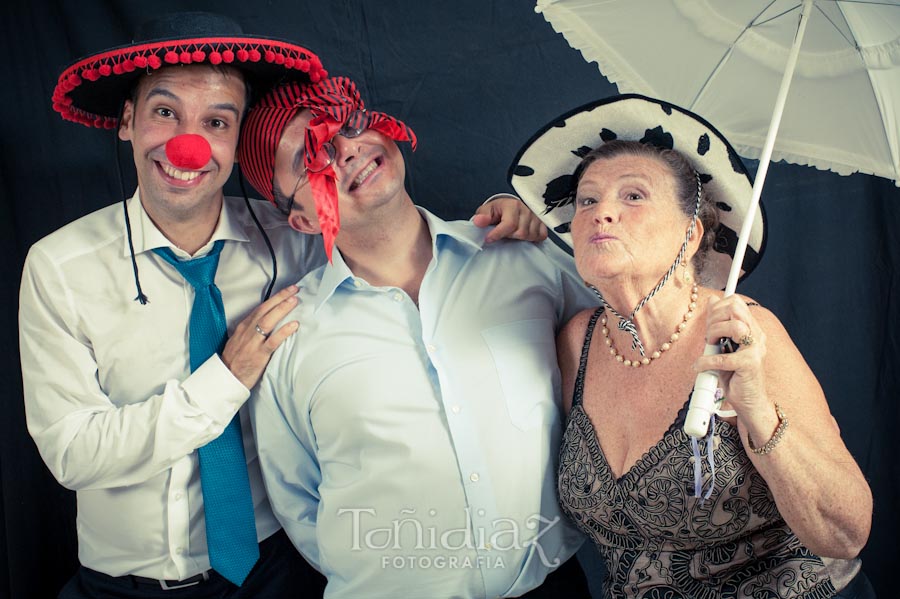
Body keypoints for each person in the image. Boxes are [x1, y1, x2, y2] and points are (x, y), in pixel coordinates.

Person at [21, 12, 542, 599]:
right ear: (127, 121)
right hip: (126, 585)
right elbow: (72, 453)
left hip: (276, 573)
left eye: (215, 121)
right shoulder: (58, 266)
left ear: (236, 141)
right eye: (165, 113)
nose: (186, 144)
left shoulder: (294, 235)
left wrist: (510, 213)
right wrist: (224, 380)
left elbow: (385, 231)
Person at [238, 75, 596, 598]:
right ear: (303, 219)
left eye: (345, 122)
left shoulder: (525, 257)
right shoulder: (291, 337)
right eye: (310, 155)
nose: (345, 150)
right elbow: (300, 505)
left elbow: (617, 356)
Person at [509, 94, 875, 598]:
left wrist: (756, 410)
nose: (601, 213)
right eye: (587, 200)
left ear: (691, 232)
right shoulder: (578, 340)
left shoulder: (743, 334)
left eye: (633, 196)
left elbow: (845, 533)